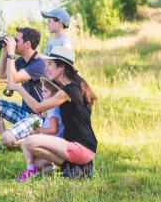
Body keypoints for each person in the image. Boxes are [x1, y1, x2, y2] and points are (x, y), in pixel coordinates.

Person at [7, 46, 98, 181]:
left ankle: (74, 166)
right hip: (84, 147)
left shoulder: (67, 91)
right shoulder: (76, 84)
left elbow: (38, 107)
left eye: (50, 64)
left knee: (29, 142)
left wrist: (19, 88)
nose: (46, 69)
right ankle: (76, 168)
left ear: (61, 67)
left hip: (80, 147)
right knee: (40, 165)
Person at [0, 27, 46, 148]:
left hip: (38, 118)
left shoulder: (39, 63)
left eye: (16, 40)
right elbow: (0, 75)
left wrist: (11, 53)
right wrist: (5, 52)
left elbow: (14, 78)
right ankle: (6, 141)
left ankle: (25, 140)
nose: (13, 43)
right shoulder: (23, 60)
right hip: (25, 112)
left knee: (8, 138)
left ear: (27, 44)